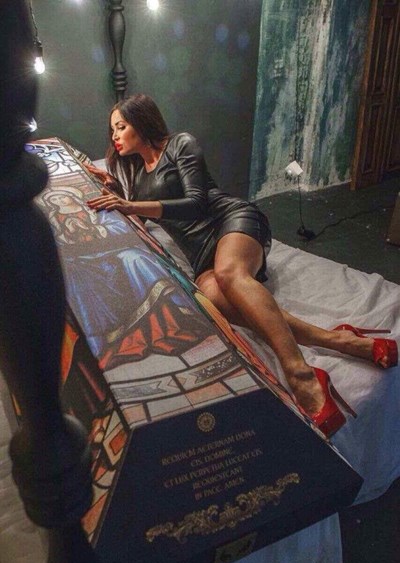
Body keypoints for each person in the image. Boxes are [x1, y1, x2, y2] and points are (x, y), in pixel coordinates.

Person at [87, 93, 398, 437]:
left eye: (121, 126)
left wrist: (132, 205)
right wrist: (115, 192)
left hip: (230, 222)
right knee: (213, 301)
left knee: (229, 274)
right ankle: (341, 341)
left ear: (141, 121)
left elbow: (196, 202)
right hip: (200, 254)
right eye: (112, 130)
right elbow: (138, 220)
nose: (114, 136)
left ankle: (300, 373)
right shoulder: (138, 178)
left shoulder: (180, 144)